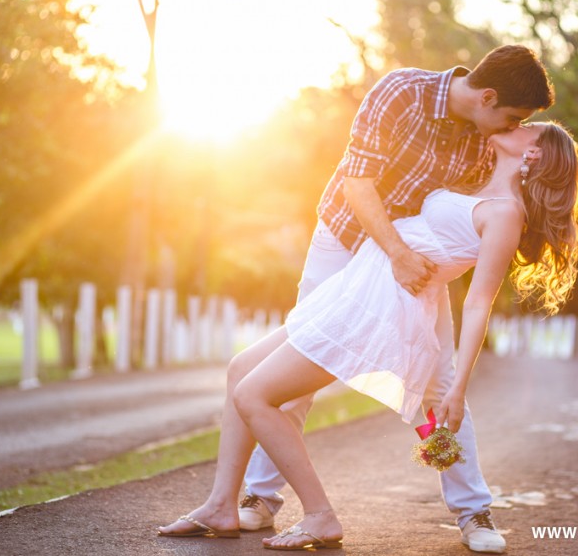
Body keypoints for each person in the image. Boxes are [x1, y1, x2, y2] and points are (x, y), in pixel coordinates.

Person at [161, 45, 554, 553]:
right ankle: (254, 501)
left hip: (410, 272)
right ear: (487, 96)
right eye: (512, 116)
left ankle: (472, 509)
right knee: (290, 378)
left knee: (437, 384)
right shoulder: (402, 92)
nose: (511, 127)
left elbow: (476, 219)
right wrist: (395, 253)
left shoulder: (487, 141)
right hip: (347, 243)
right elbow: (357, 181)